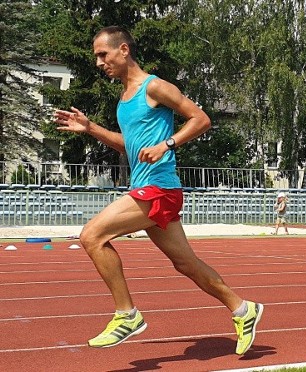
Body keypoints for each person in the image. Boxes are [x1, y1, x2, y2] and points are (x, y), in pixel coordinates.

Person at [53, 26, 263, 354]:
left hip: (158, 188)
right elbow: (130, 146)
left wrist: (167, 144)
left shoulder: (155, 87)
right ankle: (242, 309)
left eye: (102, 54)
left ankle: (127, 315)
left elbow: (201, 119)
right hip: (149, 187)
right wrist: (91, 128)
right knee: (186, 263)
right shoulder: (124, 101)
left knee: (92, 236)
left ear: (123, 50)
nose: (98, 62)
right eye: (96, 56)